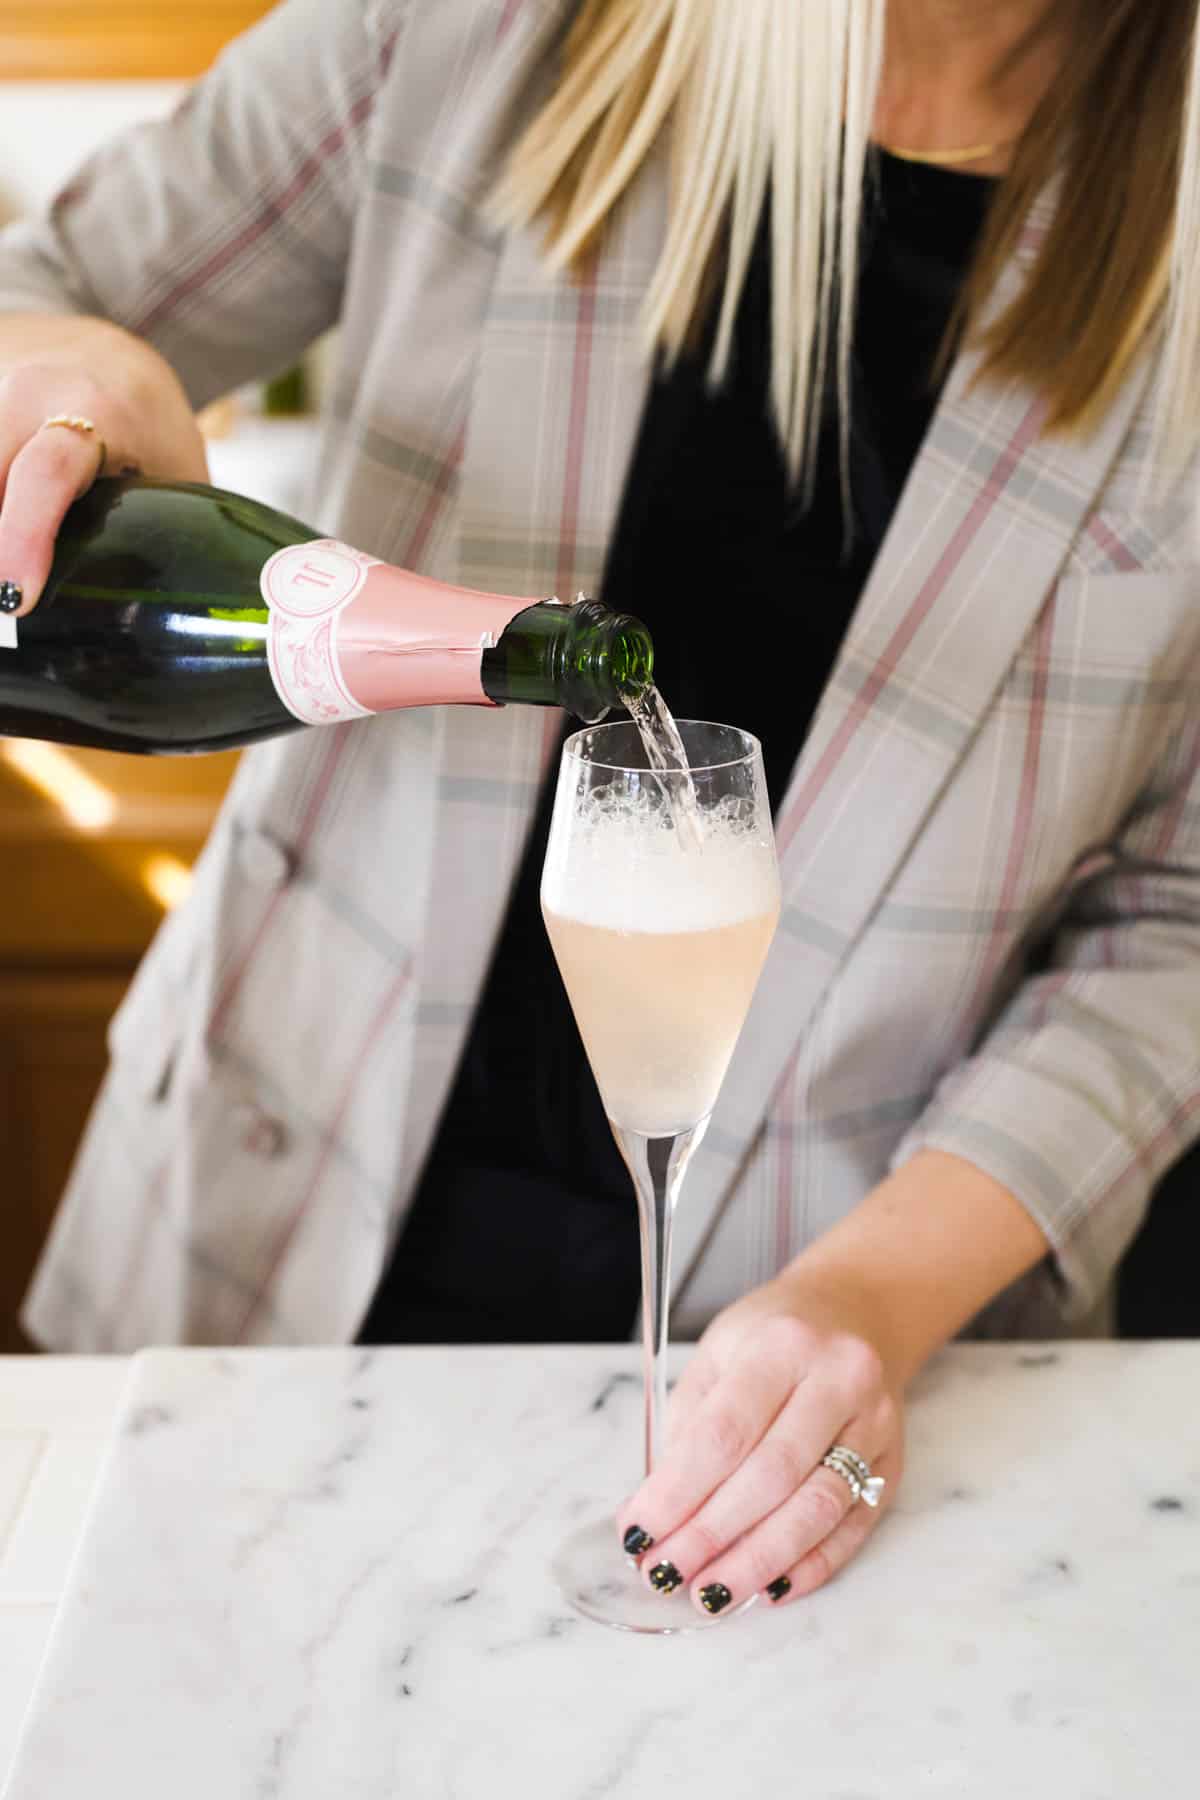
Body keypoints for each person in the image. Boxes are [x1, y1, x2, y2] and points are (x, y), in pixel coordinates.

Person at [1, 0, 1198, 1618]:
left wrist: (874, 1294)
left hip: (803, 1406)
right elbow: (41, 293)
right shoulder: (492, 29)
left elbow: (1176, 923)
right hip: (265, 1267)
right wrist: (72, 368)